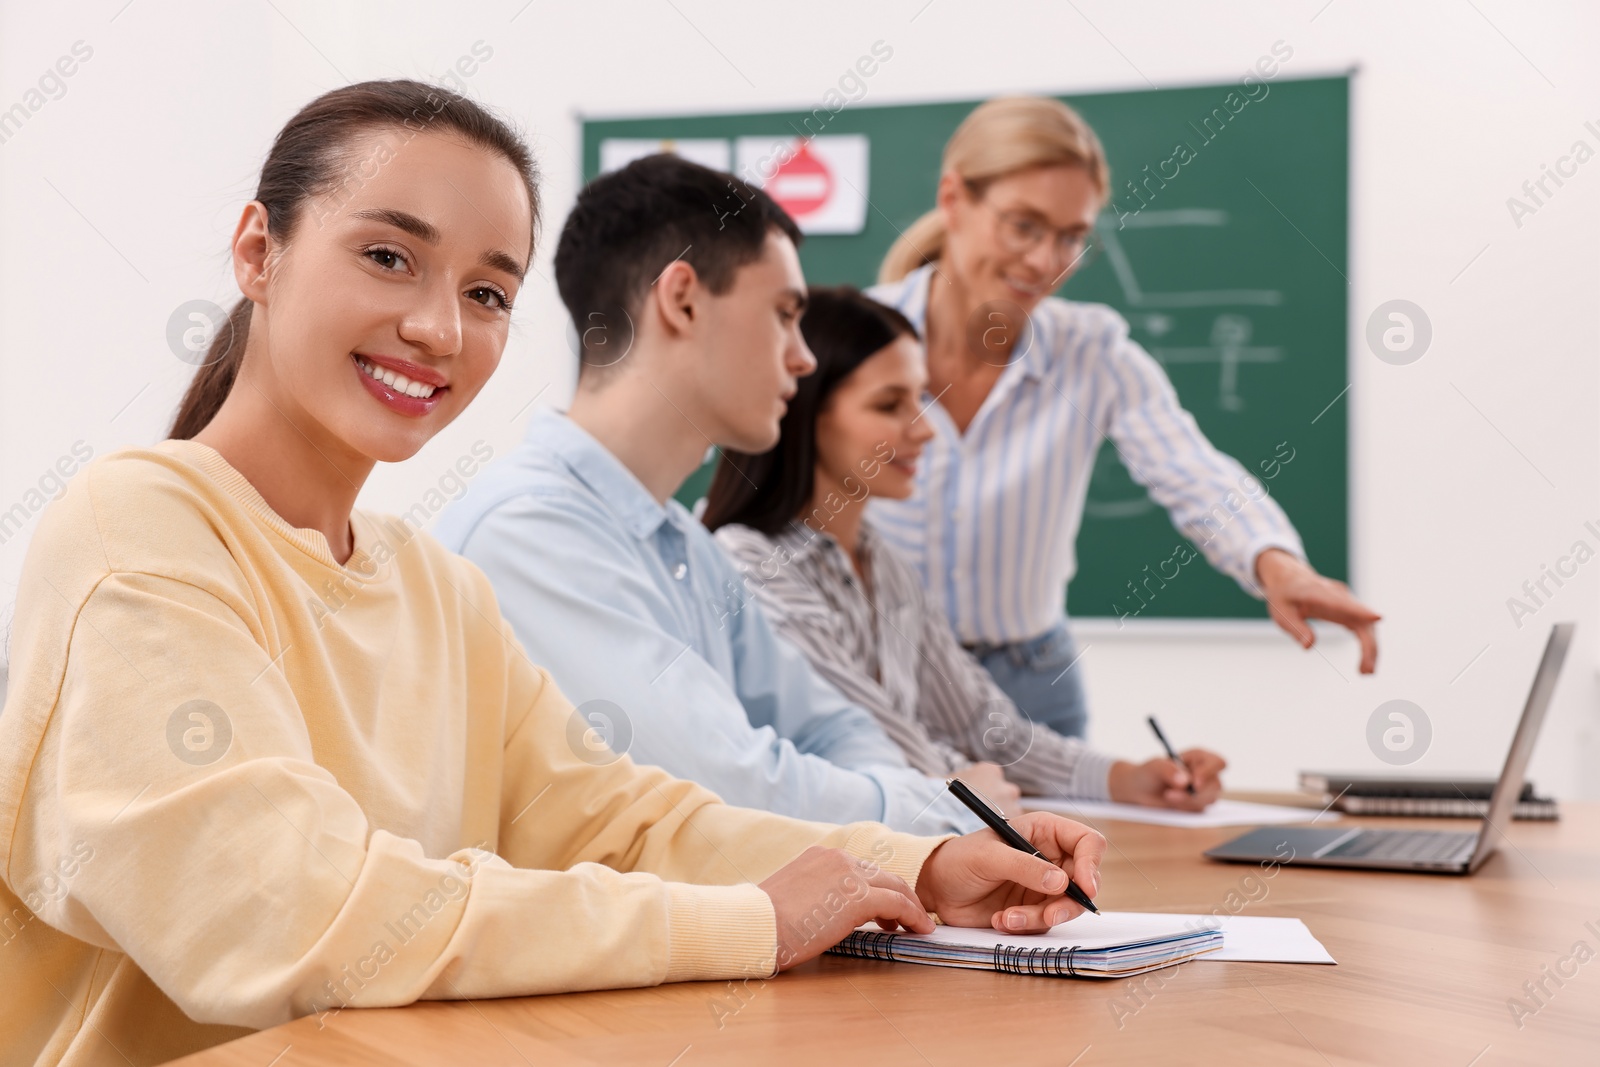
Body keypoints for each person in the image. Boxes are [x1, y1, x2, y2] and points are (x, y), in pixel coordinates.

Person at [0, 82, 1109, 1067]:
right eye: (388, 256)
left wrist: (919, 864)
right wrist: (745, 923)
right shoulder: (139, 526)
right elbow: (284, 915)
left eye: (487, 294)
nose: (438, 327)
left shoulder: (430, 583)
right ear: (257, 251)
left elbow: (618, 819)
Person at [435, 154, 988, 834]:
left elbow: (831, 726)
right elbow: (724, 788)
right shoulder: (529, 531)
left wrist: (902, 801)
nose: (803, 357)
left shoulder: (686, 544)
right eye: (784, 314)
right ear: (683, 298)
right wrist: (931, 809)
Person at [865, 95, 1383, 741]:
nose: (1046, 261)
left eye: (1071, 236)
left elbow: (1191, 469)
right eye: (1024, 225)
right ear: (954, 199)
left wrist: (1279, 565)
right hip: (880, 678)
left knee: (1055, 846)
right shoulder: (848, 338)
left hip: (1032, 686)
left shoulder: (1093, 353)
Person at [703, 286, 1225, 810]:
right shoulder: (751, 565)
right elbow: (860, 738)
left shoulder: (884, 564)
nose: (925, 429)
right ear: (803, 412)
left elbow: (979, 723)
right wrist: (962, 788)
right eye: (890, 404)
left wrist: (1125, 778)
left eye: (920, 398)